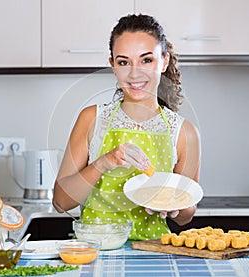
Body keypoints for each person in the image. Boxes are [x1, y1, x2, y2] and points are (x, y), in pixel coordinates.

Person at [53, 14, 201, 240]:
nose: (134, 73)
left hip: (154, 254)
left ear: (164, 61)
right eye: (124, 62)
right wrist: (104, 162)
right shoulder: (92, 119)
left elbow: (187, 215)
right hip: (96, 252)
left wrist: (175, 206)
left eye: (146, 60)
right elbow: (61, 202)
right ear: (113, 65)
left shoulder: (184, 132)